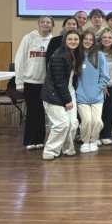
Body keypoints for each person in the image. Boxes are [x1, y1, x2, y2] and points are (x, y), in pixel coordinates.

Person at [40, 30, 83, 160]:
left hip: (69, 91)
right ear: (65, 41)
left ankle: (68, 148)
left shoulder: (75, 54)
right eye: (70, 39)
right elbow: (59, 82)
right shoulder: (59, 56)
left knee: (73, 123)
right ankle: (50, 150)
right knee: (62, 124)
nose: (73, 41)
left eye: (76, 39)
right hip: (54, 94)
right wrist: (67, 100)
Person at [15, 16, 54, 150]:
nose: (45, 24)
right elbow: (19, 60)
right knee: (32, 111)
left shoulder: (53, 41)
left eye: (48, 22)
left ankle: (40, 140)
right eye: (43, 22)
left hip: (45, 83)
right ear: (38, 24)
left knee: (42, 112)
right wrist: (19, 82)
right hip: (30, 81)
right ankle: (29, 141)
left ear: (52, 25)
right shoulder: (28, 38)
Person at [76, 31, 109, 153]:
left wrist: (98, 88)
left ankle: (93, 140)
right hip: (81, 95)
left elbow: (105, 76)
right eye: (85, 39)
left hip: (97, 95)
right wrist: (78, 91)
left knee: (97, 121)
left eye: (90, 39)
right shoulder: (77, 55)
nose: (88, 41)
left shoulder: (99, 55)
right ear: (81, 40)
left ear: (94, 42)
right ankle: (85, 141)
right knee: (87, 121)